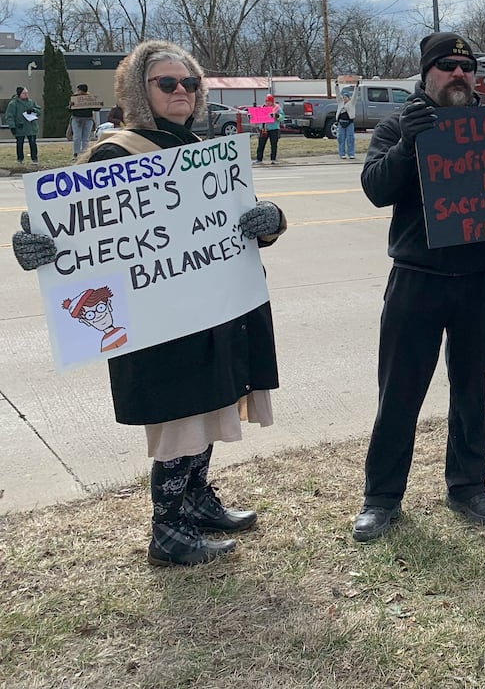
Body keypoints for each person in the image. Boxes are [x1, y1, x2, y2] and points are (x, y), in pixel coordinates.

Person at [10, 40, 286, 566]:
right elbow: (73, 231)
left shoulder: (203, 151)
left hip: (216, 308)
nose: (182, 90)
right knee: (177, 417)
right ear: (141, 90)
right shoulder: (114, 153)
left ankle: (198, 501)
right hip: (158, 324)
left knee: (211, 405)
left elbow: (240, 222)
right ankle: (168, 528)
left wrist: (270, 220)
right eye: (167, 83)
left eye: (189, 83)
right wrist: (37, 244)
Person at [353, 33, 485, 541]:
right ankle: (381, 497)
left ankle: (468, 485)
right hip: (417, 281)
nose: (459, 74)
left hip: (482, 279)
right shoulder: (400, 125)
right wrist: (407, 147)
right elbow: (376, 188)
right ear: (426, 75)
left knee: (471, 389)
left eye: (467, 66)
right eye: (446, 66)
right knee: (399, 392)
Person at [5, 85, 41, 163]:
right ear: (19, 94)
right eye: (24, 93)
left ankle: (34, 158)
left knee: (32, 143)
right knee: (20, 143)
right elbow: (9, 116)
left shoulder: (31, 102)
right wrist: (12, 126)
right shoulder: (13, 104)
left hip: (31, 126)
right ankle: (20, 159)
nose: (26, 95)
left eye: (27, 93)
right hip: (20, 126)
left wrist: (33, 110)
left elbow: (39, 111)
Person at [68, 83, 100, 158]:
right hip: (77, 119)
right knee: (77, 137)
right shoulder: (74, 98)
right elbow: (70, 109)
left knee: (86, 137)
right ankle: (76, 153)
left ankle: (84, 153)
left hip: (88, 119)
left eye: (78, 90)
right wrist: (71, 106)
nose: (77, 91)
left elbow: (96, 109)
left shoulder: (90, 98)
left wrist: (98, 104)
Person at [254, 94, 283, 166]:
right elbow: (257, 117)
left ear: (272, 101)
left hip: (274, 129)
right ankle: (259, 159)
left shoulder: (277, 108)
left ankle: (273, 159)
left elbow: (282, 117)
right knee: (261, 144)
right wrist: (252, 116)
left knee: (273, 144)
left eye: (269, 101)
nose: (268, 103)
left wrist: (277, 116)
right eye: (266, 101)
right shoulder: (262, 107)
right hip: (264, 129)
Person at [335, 87, 356, 160]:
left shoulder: (351, 103)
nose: (344, 98)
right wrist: (336, 86)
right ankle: (342, 154)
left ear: (349, 98)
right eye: (343, 97)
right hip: (341, 123)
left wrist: (356, 86)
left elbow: (355, 95)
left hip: (349, 123)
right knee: (341, 138)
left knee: (350, 138)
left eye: (346, 97)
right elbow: (337, 95)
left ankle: (351, 154)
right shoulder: (340, 103)